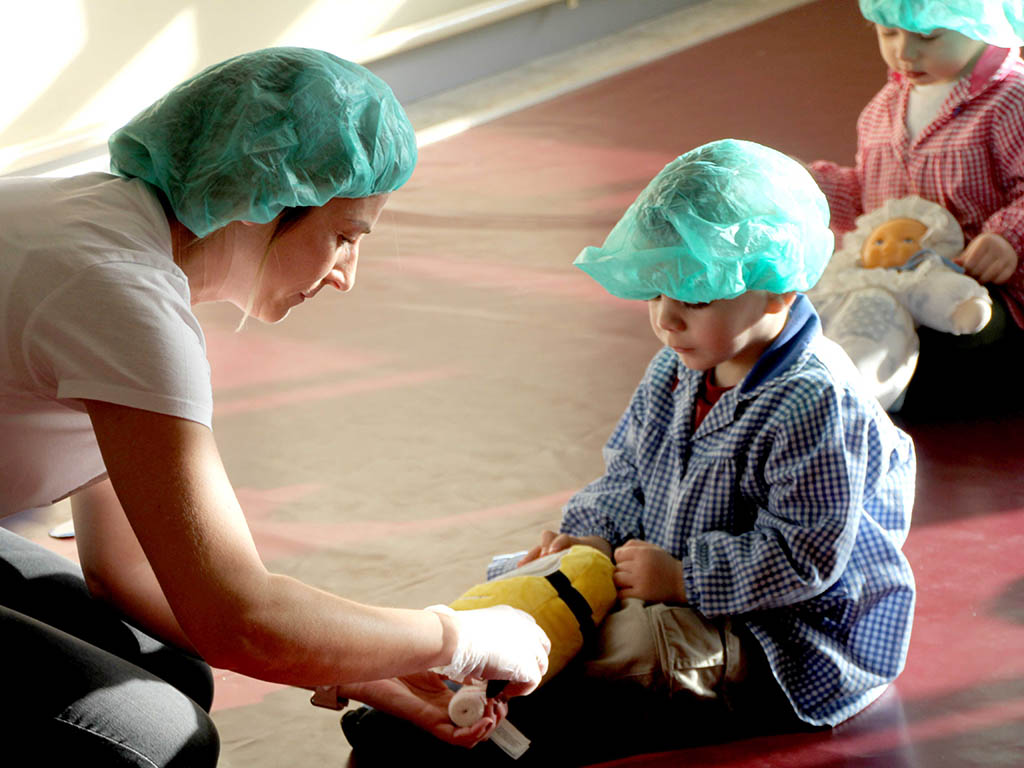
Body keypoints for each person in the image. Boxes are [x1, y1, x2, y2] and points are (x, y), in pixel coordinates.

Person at [0, 47, 549, 767]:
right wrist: (458, 636)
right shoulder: (122, 298)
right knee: (160, 738)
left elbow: (127, 571)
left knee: (174, 667)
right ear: (268, 200)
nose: (347, 275)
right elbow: (241, 618)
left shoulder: (102, 228)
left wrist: (364, 669)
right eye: (346, 237)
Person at [340, 139, 917, 766]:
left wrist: (682, 577)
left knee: (638, 646)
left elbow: (805, 557)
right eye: (656, 294)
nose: (667, 319)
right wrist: (588, 537)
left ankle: (474, 724)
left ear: (779, 290)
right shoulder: (678, 367)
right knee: (537, 585)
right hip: (659, 577)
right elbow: (628, 475)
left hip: (778, 638)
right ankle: (433, 687)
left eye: (694, 298)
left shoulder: (815, 400)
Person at [807, 0, 1024, 416]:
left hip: (984, 295)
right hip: (898, 285)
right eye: (888, 33)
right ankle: (862, 372)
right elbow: (869, 199)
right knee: (820, 307)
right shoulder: (883, 110)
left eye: (928, 37)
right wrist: (811, 186)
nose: (904, 53)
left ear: (984, 26)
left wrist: (1008, 236)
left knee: (965, 330)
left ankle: (872, 380)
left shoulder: (1011, 100)